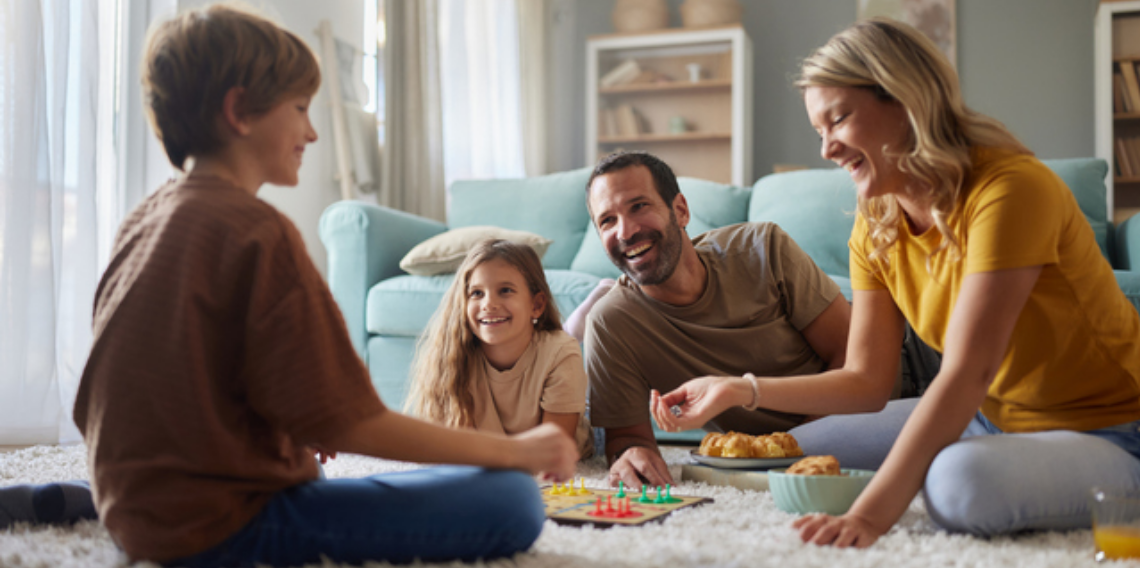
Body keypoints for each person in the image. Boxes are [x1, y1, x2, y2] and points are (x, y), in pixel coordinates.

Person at [12, 5, 577, 567]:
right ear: (239, 111)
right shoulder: (257, 231)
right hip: (219, 530)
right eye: (301, 108)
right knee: (512, 498)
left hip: (132, 511)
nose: (310, 130)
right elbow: (352, 423)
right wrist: (514, 451)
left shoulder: (145, 219)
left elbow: (128, 395)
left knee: (342, 469)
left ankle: (68, 499)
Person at [652, 18, 1140, 547]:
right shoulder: (878, 218)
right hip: (990, 416)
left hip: (1111, 430)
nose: (827, 149)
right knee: (788, 452)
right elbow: (867, 379)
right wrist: (739, 389)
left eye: (838, 120)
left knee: (956, 485)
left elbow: (967, 372)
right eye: (819, 130)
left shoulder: (1010, 190)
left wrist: (869, 516)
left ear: (906, 101)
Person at [583, 151, 856, 490]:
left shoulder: (763, 250)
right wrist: (632, 454)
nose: (626, 232)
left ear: (680, 210)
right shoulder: (611, 323)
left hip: (903, 375)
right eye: (607, 220)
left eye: (639, 206)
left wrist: (793, 449)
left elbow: (851, 354)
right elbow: (626, 437)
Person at [404, 239, 595, 458]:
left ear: (536, 305)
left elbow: (550, 452)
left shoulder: (561, 353)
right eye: (476, 293)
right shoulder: (454, 356)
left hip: (576, 435)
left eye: (505, 290)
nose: (488, 304)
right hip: (506, 450)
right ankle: (573, 326)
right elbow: (456, 452)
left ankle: (580, 323)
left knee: (569, 355)